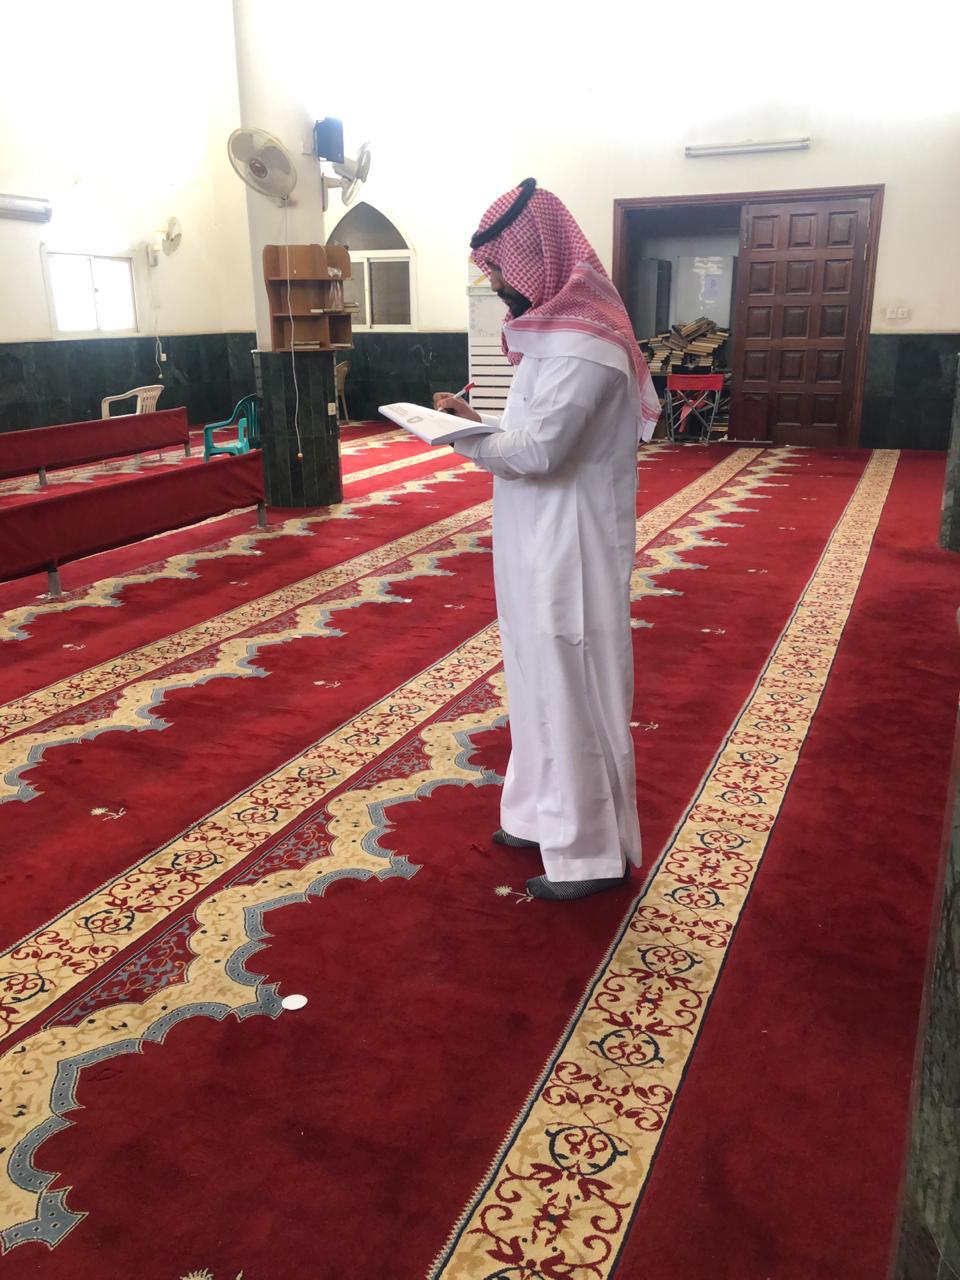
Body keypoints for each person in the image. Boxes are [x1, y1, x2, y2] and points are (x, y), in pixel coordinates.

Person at [434, 179, 661, 902]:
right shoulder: (553, 334)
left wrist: (459, 437)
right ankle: (539, 813)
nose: (495, 281)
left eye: (500, 266)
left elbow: (538, 451)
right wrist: (472, 420)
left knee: (573, 682)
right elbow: (526, 433)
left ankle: (591, 853)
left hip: (572, 544)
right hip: (533, 532)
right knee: (534, 675)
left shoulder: (586, 345)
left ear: (535, 254)